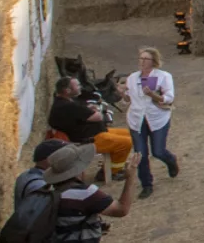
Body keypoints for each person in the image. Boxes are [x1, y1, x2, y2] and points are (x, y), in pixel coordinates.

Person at [42, 143, 139, 241]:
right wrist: (131, 176)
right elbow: (121, 209)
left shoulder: (51, 194)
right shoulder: (84, 193)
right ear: (79, 169)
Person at [120, 46, 177, 199]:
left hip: (157, 118)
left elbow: (169, 97)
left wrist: (153, 95)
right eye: (141, 58)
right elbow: (128, 99)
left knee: (158, 151)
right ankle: (147, 184)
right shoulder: (133, 77)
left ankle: (171, 161)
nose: (142, 62)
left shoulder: (164, 76)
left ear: (154, 61)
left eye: (146, 59)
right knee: (141, 154)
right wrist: (122, 94)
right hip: (137, 119)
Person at [49, 76, 133, 178]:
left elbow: (82, 113)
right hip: (87, 141)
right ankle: (111, 172)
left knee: (129, 134)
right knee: (125, 143)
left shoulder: (65, 101)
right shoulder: (67, 106)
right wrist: (96, 110)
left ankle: (111, 165)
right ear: (67, 90)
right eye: (77, 85)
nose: (80, 87)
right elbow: (98, 117)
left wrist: (89, 110)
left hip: (94, 133)